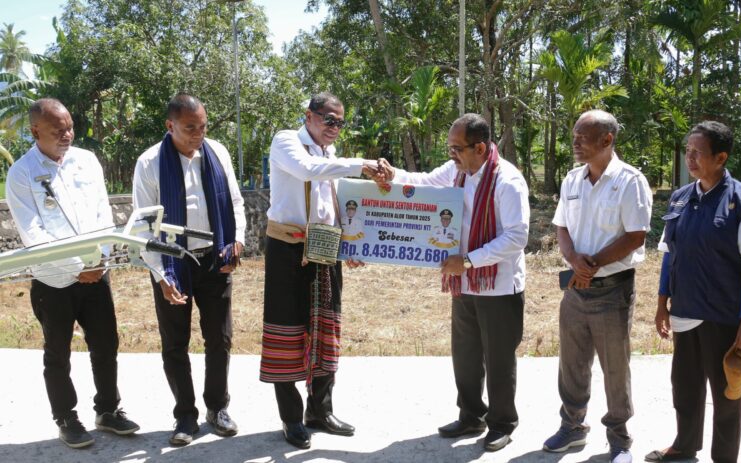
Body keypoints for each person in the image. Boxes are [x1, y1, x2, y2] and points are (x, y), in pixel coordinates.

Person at [378, 113, 530, 452]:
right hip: (465, 284)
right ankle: (471, 415)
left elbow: (517, 237)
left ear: (480, 147)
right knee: (465, 354)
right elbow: (426, 181)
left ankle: (502, 423)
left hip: (498, 285)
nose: (452, 156)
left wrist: (469, 260)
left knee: (499, 359)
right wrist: (394, 176)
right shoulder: (458, 171)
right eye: (450, 149)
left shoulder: (508, 180)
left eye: (456, 149)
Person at [5, 98, 140, 449]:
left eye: (69, 126)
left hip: (97, 272)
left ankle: (108, 410)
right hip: (53, 280)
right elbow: (33, 233)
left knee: (106, 344)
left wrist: (98, 262)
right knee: (57, 353)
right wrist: (80, 268)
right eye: (57, 130)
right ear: (36, 132)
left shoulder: (87, 161)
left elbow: (102, 215)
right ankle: (66, 418)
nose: (67, 134)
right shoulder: (21, 173)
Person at [261, 92, 381, 449]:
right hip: (288, 245)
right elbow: (306, 171)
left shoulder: (330, 155)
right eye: (329, 120)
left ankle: (320, 410)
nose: (334, 128)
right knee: (287, 329)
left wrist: (352, 243)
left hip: (326, 244)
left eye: (340, 123)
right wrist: (359, 164)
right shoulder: (287, 141)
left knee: (326, 327)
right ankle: (291, 419)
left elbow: (334, 204)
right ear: (309, 116)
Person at [645, 121, 741, 463]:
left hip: (724, 315)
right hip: (685, 309)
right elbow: (670, 253)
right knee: (684, 386)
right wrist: (661, 303)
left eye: (698, 152)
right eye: (688, 152)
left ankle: (724, 457)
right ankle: (685, 445)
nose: (691, 159)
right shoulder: (681, 198)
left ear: (721, 157)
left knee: (728, 391)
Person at [132, 93, 245, 446]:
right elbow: (143, 227)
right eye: (190, 127)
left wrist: (237, 240)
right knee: (175, 342)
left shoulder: (218, 152)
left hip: (214, 257)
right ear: (170, 125)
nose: (199, 134)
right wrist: (162, 275)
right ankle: (185, 415)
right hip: (172, 262)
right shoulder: (149, 163)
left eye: (203, 126)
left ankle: (218, 408)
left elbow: (236, 201)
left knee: (220, 338)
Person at [546, 110, 652, 463]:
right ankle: (573, 427)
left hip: (612, 290)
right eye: (574, 135)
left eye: (583, 136)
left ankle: (620, 440)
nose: (575, 142)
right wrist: (575, 259)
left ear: (607, 140)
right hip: (576, 288)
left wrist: (594, 264)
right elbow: (561, 226)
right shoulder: (573, 180)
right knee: (572, 362)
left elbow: (636, 236)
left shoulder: (630, 181)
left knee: (614, 367)